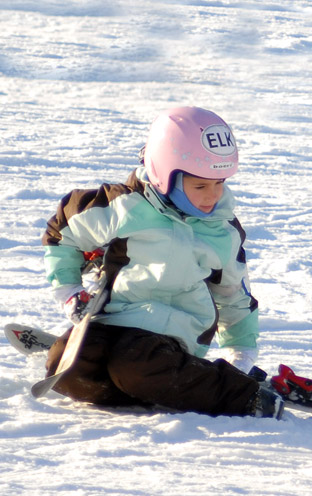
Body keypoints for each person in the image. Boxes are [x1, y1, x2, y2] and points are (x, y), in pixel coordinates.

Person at [41, 106, 284, 418]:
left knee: (138, 366)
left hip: (173, 336)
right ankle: (142, 387)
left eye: (219, 183)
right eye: (200, 186)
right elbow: (63, 232)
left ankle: (242, 395)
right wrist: (68, 290)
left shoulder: (222, 231)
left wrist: (242, 352)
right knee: (64, 366)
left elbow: (234, 294)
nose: (212, 195)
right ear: (164, 174)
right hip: (114, 318)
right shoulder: (125, 207)